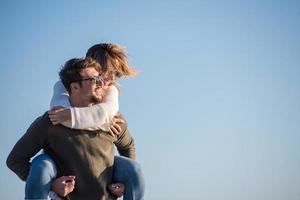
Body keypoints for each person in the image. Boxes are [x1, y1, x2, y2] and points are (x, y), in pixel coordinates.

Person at [7, 58, 142, 200]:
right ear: (75, 87)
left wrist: (123, 182)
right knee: (40, 163)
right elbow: (15, 160)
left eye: (99, 78)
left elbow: (128, 146)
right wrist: (50, 185)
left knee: (134, 169)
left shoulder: (112, 121)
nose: (101, 83)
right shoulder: (52, 120)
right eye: (94, 79)